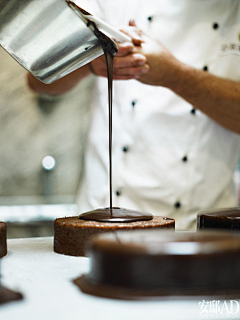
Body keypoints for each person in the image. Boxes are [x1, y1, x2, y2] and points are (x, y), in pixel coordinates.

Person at [27, 0, 240, 230]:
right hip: (100, 222)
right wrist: (88, 63)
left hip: (201, 230)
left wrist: (175, 75)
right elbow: (38, 79)